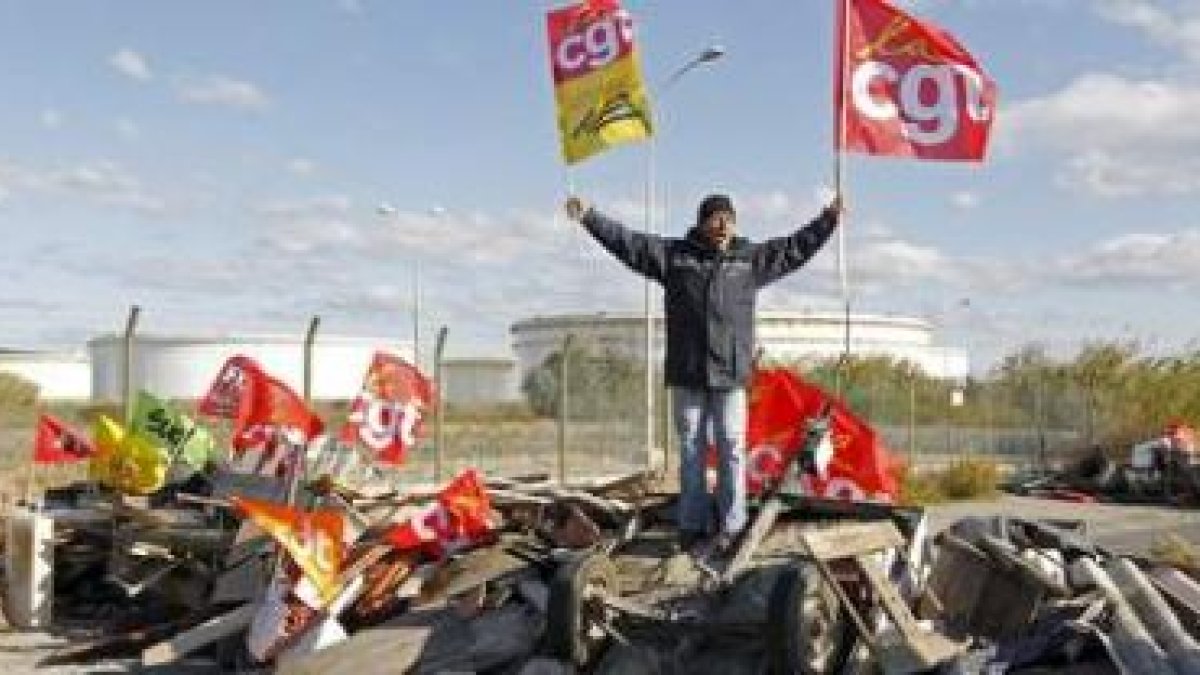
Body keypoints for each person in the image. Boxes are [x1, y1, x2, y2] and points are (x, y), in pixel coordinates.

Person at [564, 191, 843, 554]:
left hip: (730, 374)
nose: (723, 223)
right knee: (692, 450)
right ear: (701, 222)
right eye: (715, 217)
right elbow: (627, 243)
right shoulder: (675, 256)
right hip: (688, 372)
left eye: (729, 217)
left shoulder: (750, 260)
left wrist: (827, 221)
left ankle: (731, 525)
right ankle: (692, 525)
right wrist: (589, 217)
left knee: (730, 447)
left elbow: (794, 249)